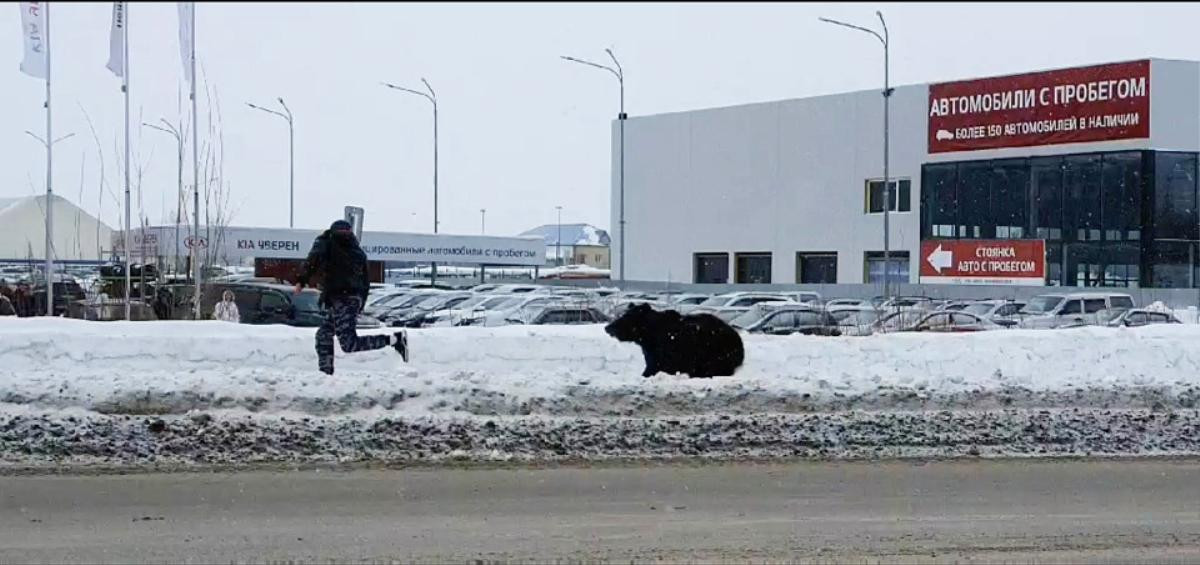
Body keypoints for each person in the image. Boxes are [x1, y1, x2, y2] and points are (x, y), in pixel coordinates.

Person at [295, 219, 408, 374]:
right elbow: (365, 281)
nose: (343, 235)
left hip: (345, 299)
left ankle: (395, 340)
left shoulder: (329, 244)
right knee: (324, 335)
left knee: (348, 344)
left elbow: (313, 261)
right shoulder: (353, 250)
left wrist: (302, 280)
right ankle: (325, 374)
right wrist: (360, 302)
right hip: (343, 299)